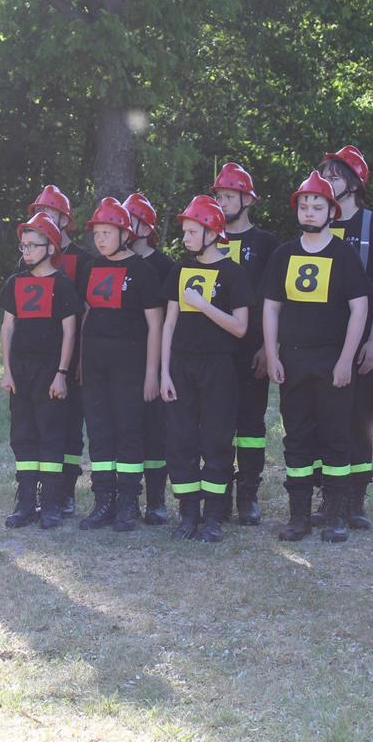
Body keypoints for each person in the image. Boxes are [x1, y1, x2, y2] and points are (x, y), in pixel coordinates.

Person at [262, 172, 369, 543]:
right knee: (296, 436)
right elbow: (271, 307)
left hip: (331, 360)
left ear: (331, 211)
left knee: (335, 436)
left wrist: (346, 359)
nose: (309, 212)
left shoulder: (344, 255)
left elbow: (359, 308)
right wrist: (272, 353)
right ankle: (299, 516)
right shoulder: (283, 254)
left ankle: (336, 514)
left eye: (317, 206)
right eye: (304, 206)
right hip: (292, 360)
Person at [317, 145, 373, 529]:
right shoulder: (316, 221)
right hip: (322, 343)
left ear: (354, 184)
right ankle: (328, 496)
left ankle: (355, 499)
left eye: (334, 176)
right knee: (323, 420)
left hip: (365, 340)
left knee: (359, 419)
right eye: (324, 175)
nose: (326, 181)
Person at [159, 196, 252, 541]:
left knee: (216, 439)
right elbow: (169, 324)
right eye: (184, 231)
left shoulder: (233, 274)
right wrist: (164, 373)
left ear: (212, 233)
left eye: (191, 231)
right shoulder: (179, 271)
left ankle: (213, 515)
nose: (185, 238)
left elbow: (240, 327)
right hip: (181, 365)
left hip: (219, 366)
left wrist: (203, 305)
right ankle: (188, 514)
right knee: (181, 439)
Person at [76, 197, 163, 532]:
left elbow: (155, 325)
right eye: (97, 233)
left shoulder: (143, 271)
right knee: (99, 431)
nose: (100, 239)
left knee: (129, 430)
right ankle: (103, 501)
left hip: (131, 364)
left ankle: (128, 502)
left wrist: (152, 373)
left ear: (125, 234)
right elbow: (86, 314)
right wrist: (81, 361)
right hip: (95, 363)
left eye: (107, 232)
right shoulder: (89, 268)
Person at [0, 212, 78, 529]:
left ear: (51, 248)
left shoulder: (63, 284)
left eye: (33, 245)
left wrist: (61, 373)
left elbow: (70, 332)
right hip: (21, 369)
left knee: (51, 434)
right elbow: (7, 328)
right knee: (23, 435)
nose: (27, 251)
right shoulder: (14, 282)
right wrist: (7, 371)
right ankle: (26, 502)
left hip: (50, 369)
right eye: (23, 245)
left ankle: (52, 503)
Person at [210, 162, 280, 524]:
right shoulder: (207, 240)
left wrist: (269, 347)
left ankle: (248, 494)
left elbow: (275, 302)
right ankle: (218, 494)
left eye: (229, 196)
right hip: (214, 353)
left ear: (247, 200)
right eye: (219, 196)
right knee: (217, 424)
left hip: (252, 351)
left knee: (251, 425)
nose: (222, 202)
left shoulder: (267, 245)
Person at [28, 185, 90, 517]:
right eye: (38, 212)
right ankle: (41, 490)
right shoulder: (29, 257)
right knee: (39, 424)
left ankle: (66, 491)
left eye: (49, 212)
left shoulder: (84, 259)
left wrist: (81, 357)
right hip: (36, 356)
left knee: (70, 425)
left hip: (72, 354)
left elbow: (88, 310)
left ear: (65, 219)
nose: (43, 217)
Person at [122, 192, 175, 525]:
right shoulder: (111, 263)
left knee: (155, 430)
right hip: (121, 360)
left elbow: (168, 320)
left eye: (131, 220)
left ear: (146, 227)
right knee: (125, 428)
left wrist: (158, 369)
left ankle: (156, 499)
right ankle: (125, 496)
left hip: (153, 358)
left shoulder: (165, 266)